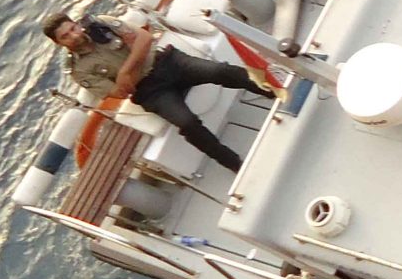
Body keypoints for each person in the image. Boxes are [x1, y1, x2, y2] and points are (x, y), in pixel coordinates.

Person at [42, 12, 274, 174]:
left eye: (72, 28)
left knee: (220, 71)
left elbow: (145, 38)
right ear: (58, 43)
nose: (74, 35)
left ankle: (272, 91)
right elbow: (121, 91)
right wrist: (134, 61)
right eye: (65, 36)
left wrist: (125, 71)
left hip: (168, 62)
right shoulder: (78, 70)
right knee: (188, 124)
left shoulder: (102, 24)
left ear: (76, 23)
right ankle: (233, 163)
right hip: (150, 91)